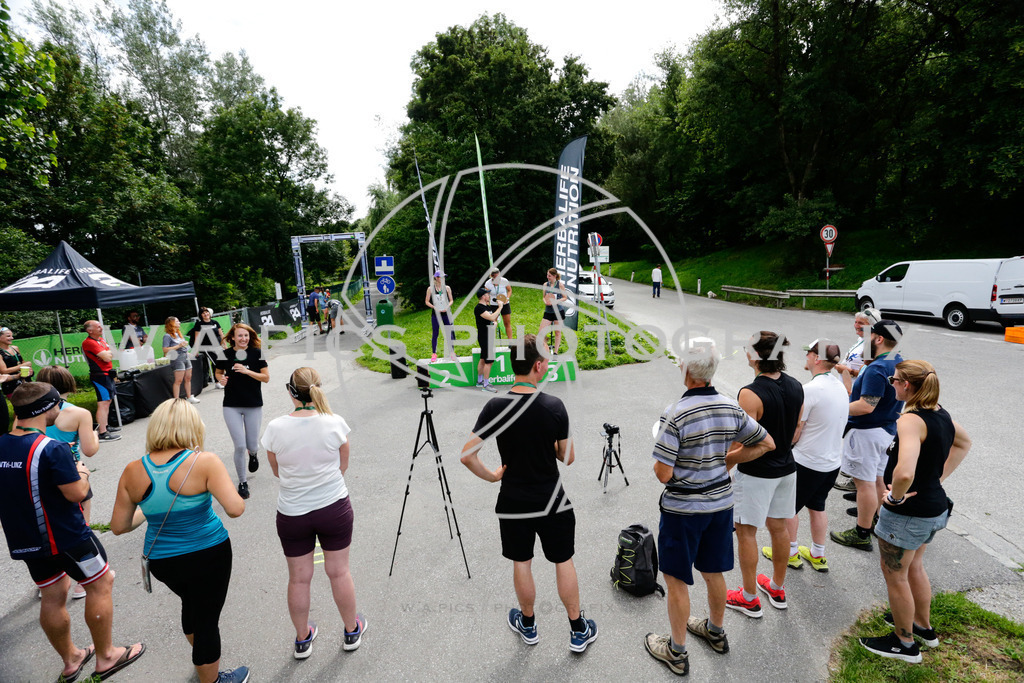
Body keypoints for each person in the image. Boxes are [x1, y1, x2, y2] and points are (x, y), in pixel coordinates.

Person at [460, 334, 598, 653]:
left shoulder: (496, 406)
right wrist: (550, 443)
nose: (547, 365)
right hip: (552, 499)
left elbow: (467, 455)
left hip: (513, 500)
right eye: (546, 360)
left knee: (522, 562)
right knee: (563, 560)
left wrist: (493, 476)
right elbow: (568, 456)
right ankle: (578, 629)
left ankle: (529, 624)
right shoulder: (554, 406)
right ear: (537, 366)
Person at [0, 382, 145, 682]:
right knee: (101, 583)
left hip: (27, 539)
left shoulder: (2, 444)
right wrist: (82, 473)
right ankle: (106, 656)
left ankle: (71, 659)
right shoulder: (52, 448)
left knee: (52, 595)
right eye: (57, 403)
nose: (60, 408)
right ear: (46, 409)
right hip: (67, 537)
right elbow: (77, 493)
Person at [645, 337, 774, 676]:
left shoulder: (675, 414)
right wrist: (727, 461)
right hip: (720, 506)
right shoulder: (731, 406)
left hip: (682, 511)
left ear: (687, 370)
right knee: (713, 572)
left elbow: (663, 474)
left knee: (676, 579)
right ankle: (715, 632)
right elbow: (766, 443)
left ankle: (676, 652)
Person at [110, 398, 248, 683]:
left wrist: (153, 509)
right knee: (207, 620)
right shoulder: (204, 461)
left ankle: (203, 664)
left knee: (191, 603)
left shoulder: (133, 470)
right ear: (192, 427)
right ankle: (213, 679)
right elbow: (235, 509)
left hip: (162, 560)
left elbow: (119, 526)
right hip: (207, 553)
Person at [859, 360, 971, 663]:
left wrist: (894, 498)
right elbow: (964, 442)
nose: (891, 385)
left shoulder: (910, 420)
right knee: (914, 567)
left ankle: (904, 644)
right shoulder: (940, 413)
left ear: (905, 385)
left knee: (895, 575)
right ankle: (922, 627)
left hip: (909, 514)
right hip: (933, 508)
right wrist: (937, 479)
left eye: (893, 380)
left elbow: (905, 472)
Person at [262, 367, 368, 660]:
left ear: (290, 391)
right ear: (319, 388)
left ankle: (302, 639)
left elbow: (277, 471)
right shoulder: (335, 422)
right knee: (339, 571)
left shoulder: (275, 428)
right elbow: (342, 466)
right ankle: (351, 630)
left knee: (299, 579)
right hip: (333, 507)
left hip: (292, 512)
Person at [727, 331, 803, 618]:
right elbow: (795, 428)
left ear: (756, 356)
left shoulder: (750, 393)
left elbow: (740, 442)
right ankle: (777, 587)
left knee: (746, 532)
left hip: (757, 473)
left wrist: (723, 468)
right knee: (779, 528)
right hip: (787, 469)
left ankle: (749, 597)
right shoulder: (796, 385)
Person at [763, 340, 848, 573]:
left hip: (808, 461)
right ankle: (818, 554)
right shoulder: (838, 384)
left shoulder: (810, 389)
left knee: (787, 508)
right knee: (817, 506)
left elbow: (797, 429)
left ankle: (789, 553)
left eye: (809, 353)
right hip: (831, 461)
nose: (806, 357)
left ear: (817, 358)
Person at [831, 320, 905, 551]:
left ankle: (861, 533)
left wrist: (836, 409)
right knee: (877, 480)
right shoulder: (898, 361)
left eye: (868, 336)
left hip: (867, 432)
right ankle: (880, 524)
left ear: (879, 339)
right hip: (887, 429)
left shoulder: (877, 368)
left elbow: (866, 406)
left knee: (863, 484)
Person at [38, 366, 100, 599]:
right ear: (69, 382)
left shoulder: (31, 412)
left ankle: (51, 580)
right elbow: (89, 450)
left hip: (40, 474)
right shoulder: (79, 413)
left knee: (49, 527)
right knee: (82, 527)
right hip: (72, 472)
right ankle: (84, 582)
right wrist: (95, 436)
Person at [215, 323, 269, 499]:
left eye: (246, 335)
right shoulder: (225, 354)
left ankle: (253, 454)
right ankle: (242, 482)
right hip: (231, 405)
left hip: (253, 404)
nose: (243, 338)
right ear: (233, 337)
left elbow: (266, 377)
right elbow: (218, 372)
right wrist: (221, 379)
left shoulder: (257, 353)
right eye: (240, 335)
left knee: (252, 445)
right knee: (239, 445)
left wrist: (247, 371)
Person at [82, 320, 122, 442]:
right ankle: (102, 432)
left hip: (107, 374)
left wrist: (107, 354)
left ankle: (105, 426)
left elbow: (112, 354)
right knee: (103, 403)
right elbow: (106, 357)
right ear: (90, 330)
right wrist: (106, 354)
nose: (101, 328)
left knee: (108, 401)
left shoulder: (100, 340)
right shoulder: (89, 342)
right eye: (98, 327)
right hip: (100, 376)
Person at [835, 307, 882, 395]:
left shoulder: (872, 344)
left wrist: (850, 372)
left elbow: (872, 373)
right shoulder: (862, 339)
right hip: (846, 390)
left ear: (872, 326)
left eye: (861, 323)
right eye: (855, 322)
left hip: (857, 392)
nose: (856, 325)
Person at [0, 325, 32, 435]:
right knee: (19, 408)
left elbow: (22, 362)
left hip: (24, 380)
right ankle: (17, 431)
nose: (11, 338)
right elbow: (3, 371)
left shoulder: (15, 348)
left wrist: (28, 369)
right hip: (10, 383)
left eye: (12, 336)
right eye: (8, 336)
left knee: (29, 405)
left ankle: (26, 428)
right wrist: (21, 367)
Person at [164, 317, 200, 405]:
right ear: (171, 323)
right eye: (177, 321)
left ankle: (189, 397)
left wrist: (188, 353)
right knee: (178, 380)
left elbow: (183, 347)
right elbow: (165, 349)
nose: (179, 322)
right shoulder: (167, 336)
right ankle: (176, 401)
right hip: (177, 358)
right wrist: (179, 345)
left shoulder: (179, 334)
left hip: (185, 357)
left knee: (188, 378)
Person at [475, 287, 505, 393]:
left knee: (483, 359)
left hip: (488, 335)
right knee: (489, 361)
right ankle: (486, 385)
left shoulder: (486, 307)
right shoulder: (479, 308)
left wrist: (494, 323)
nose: (489, 296)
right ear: (483, 296)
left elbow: (492, 319)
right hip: (485, 337)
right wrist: (500, 307)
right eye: (488, 294)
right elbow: (491, 317)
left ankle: (480, 381)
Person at [189, 308, 226, 388]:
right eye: (203, 313)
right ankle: (218, 382)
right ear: (201, 315)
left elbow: (221, 334)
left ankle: (219, 382)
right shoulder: (199, 324)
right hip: (206, 347)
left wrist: (224, 344)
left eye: (207, 312)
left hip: (217, 346)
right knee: (216, 362)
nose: (206, 314)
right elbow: (197, 338)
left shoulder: (215, 322)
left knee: (221, 361)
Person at [425, 270, 455, 362]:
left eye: (444, 277)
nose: (443, 278)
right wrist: (434, 307)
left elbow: (451, 300)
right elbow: (426, 301)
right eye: (441, 277)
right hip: (436, 314)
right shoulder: (430, 289)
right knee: (435, 333)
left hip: (445, 313)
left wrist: (447, 306)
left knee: (449, 333)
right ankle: (434, 353)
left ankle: (452, 352)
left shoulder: (447, 288)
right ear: (436, 278)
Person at [539, 268, 568, 354]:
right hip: (548, 311)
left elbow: (565, 297)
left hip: (558, 311)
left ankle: (555, 352)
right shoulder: (545, 284)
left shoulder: (560, 285)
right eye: (547, 275)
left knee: (557, 332)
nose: (547, 277)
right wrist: (546, 302)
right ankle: (545, 349)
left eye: (549, 276)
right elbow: (543, 297)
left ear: (554, 276)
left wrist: (556, 301)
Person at [485, 266, 514, 339]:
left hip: (504, 304)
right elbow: (486, 294)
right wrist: (487, 303)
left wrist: (507, 298)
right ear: (492, 276)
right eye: (495, 276)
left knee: (507, 323)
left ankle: (510, 341)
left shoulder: (504, 280)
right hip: (494, 305)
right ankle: (491, 341)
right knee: (493, 323)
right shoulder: (488, 283)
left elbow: (509, 290)